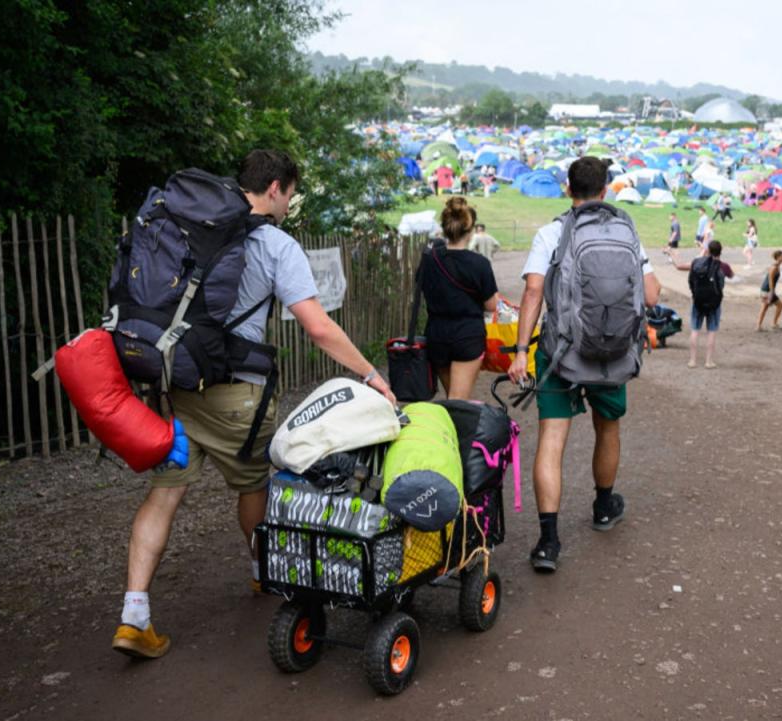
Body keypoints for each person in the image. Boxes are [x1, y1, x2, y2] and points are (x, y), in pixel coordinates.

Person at [112, 150, 396, 659]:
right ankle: (266, 573)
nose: (289, 205)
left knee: (163, 496)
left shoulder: (189, 225)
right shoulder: (276, 245)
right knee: (256, 485)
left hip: (176, 384)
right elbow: (317, 326)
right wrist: (370, 374)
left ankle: (134, 615)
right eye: (289, 194)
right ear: (275, 189)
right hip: (236, 396)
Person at [507, 156, 661, 572]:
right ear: (606, 189)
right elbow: (649, 295)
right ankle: (604, 506)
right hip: (611, 352)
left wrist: (521, 350)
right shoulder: (626, 230)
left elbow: (534, 293)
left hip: (560, 353)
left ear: (567, 189)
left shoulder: (551, 232)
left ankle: (549, 541)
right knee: (607, 428)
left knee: (552, 441)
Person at [420, 197, 500, 400]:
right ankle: (460, 432)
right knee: (458, 402)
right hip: (467, 335)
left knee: (453, 398)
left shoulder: (429, 260)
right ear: (470, 229)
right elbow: (491, 306)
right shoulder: (479, 263)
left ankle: (456, 430)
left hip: (437, 334)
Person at [668, 240, 734, 369]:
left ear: (708, 250)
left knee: (695, 330)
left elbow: (679, 266)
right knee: (711, 332)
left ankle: (692, 361)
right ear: (721, 251)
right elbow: (731, 275)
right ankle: (708, 361)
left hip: (698, 301)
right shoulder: (723, 266)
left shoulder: (697, 263)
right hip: (714, 303)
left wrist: (671, 253)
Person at [756, 250, 782, 331]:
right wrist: (772, 292)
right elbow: (770, 280)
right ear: (778, 257)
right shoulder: (774, 267)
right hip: (767, 290)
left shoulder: (777, 266)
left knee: (773, 306)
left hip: (768, 290)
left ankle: (770, 324)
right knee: (770, 307)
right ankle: (763, 325)